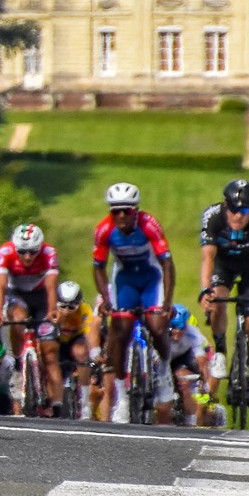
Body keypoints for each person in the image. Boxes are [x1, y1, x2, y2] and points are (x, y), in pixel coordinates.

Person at [199, 177, 249, 431]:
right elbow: (208, 258)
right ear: (226, 207)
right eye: (234, 209)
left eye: (245, 210)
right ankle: (221, 348)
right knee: (217, 298)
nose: (238, 215)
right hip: (223, 265)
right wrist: (205, 291)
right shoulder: (213, 216)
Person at [92, 181, 174, 424]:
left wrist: (167, 301)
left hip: (151, 277)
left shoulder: (150, 225)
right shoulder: (104, 230)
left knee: (157, 326)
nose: (120, 216)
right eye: (115, 210)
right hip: (125, 280)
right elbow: (98, 267)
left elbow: (167, 264)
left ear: (135, 211)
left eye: (125, 211)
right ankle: (123, 398)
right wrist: (106, 299)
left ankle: (164, 371)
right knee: (120, 331)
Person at [0, 224, 66, 412]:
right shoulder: (5, 251)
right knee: (18, 319)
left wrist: (51, 311)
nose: (27, 257)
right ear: (15, 248)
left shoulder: (49, 252)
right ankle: (19, 363)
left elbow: (51, 286)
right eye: (23, 252)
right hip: (17, 295)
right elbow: (0, 286)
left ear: (40, 248)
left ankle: (57, 403)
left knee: (50, 352)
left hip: (42, 298)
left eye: (33, 252)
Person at [159, 303, 221, 427]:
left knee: (185, 381)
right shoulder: (161, 333)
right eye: (174, 327)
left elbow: (202, 360)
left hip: (183, 358)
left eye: (182, 327)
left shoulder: (193, 334)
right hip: (164, 357)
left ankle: (191, 420)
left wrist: (205, 385)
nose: (177, 331)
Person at [51, 279, 99, 420]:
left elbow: (90, 332)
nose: (66, 311)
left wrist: (93, 351)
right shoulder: (51, 308)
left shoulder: (84, 310)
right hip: (57, 341)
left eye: (72, 307)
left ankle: (85, 400)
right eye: (63, 306)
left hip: (74, 341)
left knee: (81, 352)